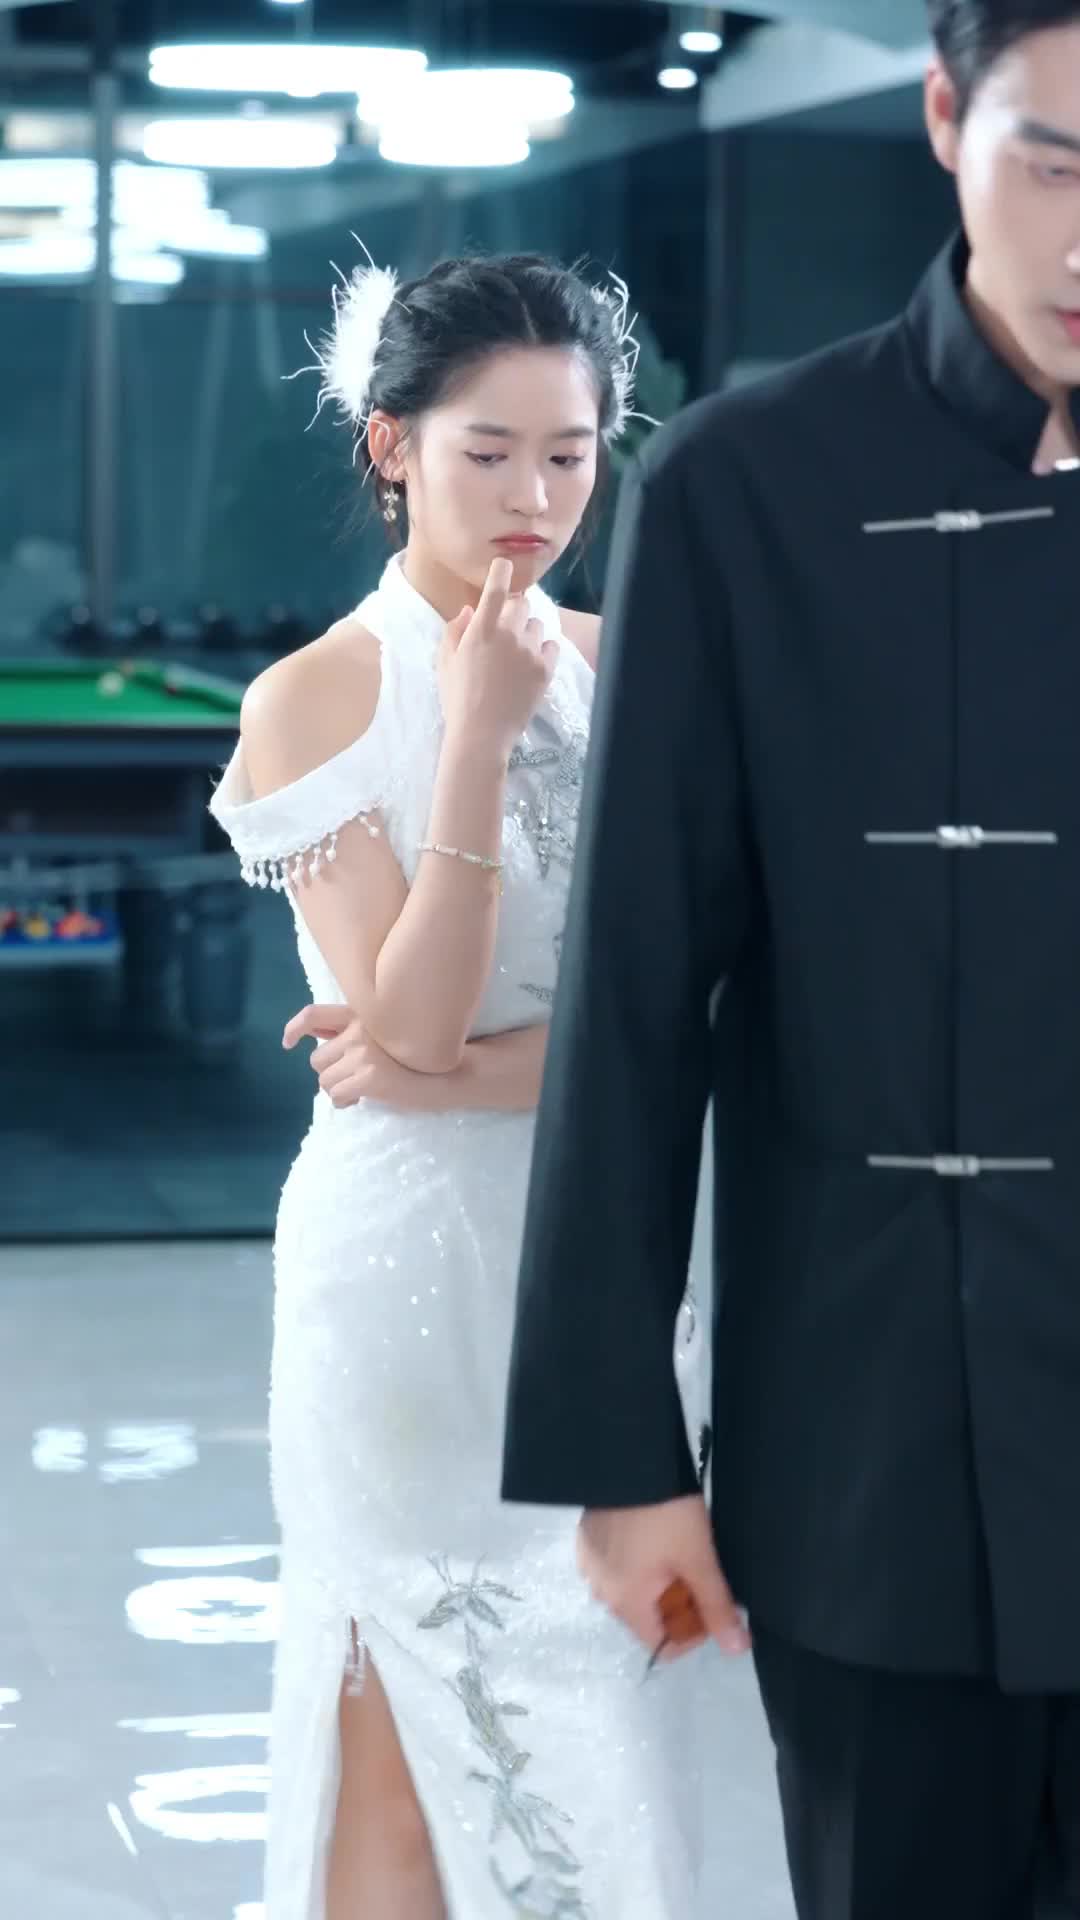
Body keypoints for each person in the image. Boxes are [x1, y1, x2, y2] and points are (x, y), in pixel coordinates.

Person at [500, 4, 1080, 1915]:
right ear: (945, 115)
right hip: (876, 1447)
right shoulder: (743, 484)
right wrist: (621, 1452)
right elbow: (636, 993)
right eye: (1053, 161)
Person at [209, 250, 703, 1920]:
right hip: (405, 1283)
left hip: (605, 1259)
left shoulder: (634, 664)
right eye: (489, 452)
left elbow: (695, 1015)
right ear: (391, 444)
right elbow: (410, 1028)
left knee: (595, 1737)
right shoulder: (312, 698)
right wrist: (478, 735)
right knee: (406, 1735)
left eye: (570, 453)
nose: (535, 497)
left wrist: (458, 1078)